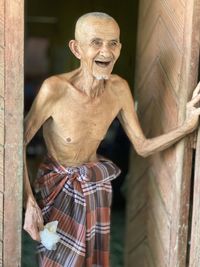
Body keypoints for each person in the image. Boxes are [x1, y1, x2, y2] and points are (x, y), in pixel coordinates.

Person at [23, 12, 200, 267]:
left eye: (113, 43)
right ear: (76, 48)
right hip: (59, 188)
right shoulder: (55, 89)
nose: (106, 51)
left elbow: (142, 146)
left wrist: (187, 126)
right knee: (57, 260)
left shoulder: (119, 89)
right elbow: (18, 143)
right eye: (96, 42)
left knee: (93, 261)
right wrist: (28, 201)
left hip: (97, 187)